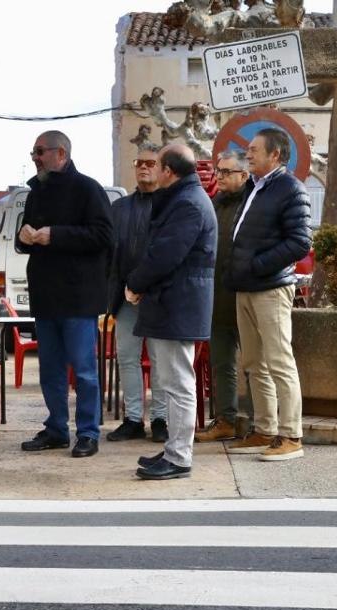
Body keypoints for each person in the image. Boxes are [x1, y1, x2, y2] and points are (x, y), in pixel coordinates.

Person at [16, 130, 113, 459]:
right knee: (50, 370)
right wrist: (25, 236)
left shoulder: (88, 189)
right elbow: (24, 237)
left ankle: (87, 432)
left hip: (78, 297)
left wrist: (53, 236)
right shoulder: (36, 191)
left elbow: (102, 235)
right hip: (45, 296)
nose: (35, 157)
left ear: (61, 153)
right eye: (33, 152)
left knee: (84, 370)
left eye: (40, 151)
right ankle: (57, 429)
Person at [126, 144, 216, 480]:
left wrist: (135, 284)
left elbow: (166, 254)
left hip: (177, 303)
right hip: (172, 303)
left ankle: (179, 456)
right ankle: (173, 450)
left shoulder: (189, 204)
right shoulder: (185, 199)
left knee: (178, 383)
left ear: (168, 171)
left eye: (157, 164)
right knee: (172, 381)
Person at [226, 128, 312, 462]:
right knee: (253, 363)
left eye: (254, 149)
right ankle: (264, 429)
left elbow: (300, 241)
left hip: (271, 288)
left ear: (275, 155)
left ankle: (291, 435)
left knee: (279, 362)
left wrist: (258, 265)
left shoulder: (290, 189)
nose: (248, 154)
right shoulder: (254, 187)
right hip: (246, 287)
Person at [106, 143, 167, 444]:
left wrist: (145, 285)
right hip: (125, 297)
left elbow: (169, 252)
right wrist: (119, 290)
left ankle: (160, 419)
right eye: (139, 162)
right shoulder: (119, 208)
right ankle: (132, 419)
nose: (144, 167)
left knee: (159, 359)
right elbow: (110, 254)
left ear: (161, 168)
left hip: (158, 297)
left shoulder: (170, 205)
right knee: (127, 357)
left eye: (150, 163)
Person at [196, 149, 254, 443]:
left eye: (226, 172)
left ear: (244, 175)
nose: (219, 177)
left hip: (247, 297)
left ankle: (257, 423)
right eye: (218, 171)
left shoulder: (254, 204)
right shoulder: (212, 204)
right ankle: (226, 420)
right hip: (216, 297)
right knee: (221, 364)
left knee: (254, 366)